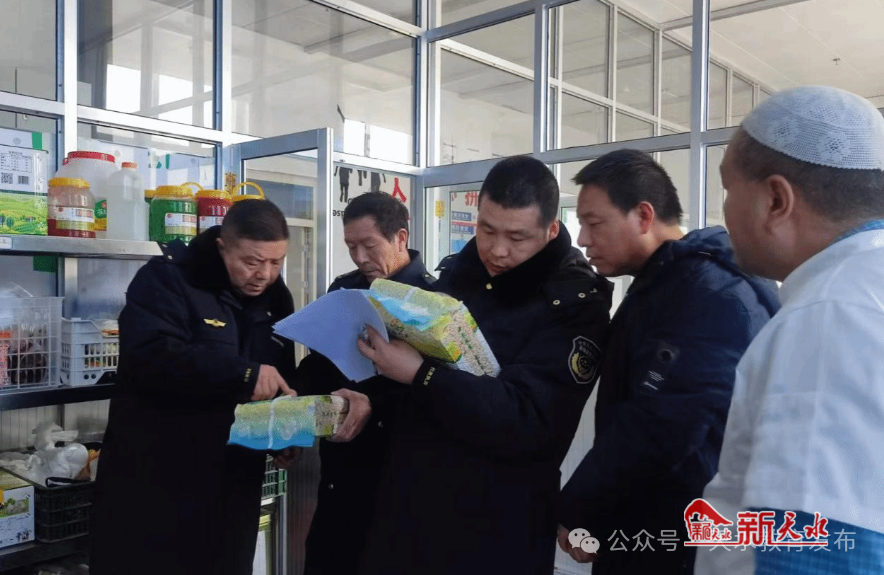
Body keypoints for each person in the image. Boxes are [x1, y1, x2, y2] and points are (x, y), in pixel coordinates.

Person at [356, 155, 612, 575]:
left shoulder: (574, 303)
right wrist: (372, 401)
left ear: (551, 230)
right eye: (487, 230)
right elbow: (420, 374)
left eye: (517, 237)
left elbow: (530, 421)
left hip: (495, 526)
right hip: (412, 508)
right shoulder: (461, 271)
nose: (497, 250)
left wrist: (422, 374)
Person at [556, 149, 779, 574]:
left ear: (643, 216)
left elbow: (662, 424)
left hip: (684, 536)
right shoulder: (668, 282)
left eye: (593, 223)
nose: (582, 238)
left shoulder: (708, 294)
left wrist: (581, 506)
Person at [695, 86, 884, 574]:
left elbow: (820, 551)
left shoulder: (829, 318)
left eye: (728, 189)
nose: (725, 211)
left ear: (776, 200)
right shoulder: (864, 291)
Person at [91, 200, 297, 575]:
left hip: (232, 488)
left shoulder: (276, 299)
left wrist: (283, 431)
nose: (264, 274)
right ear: (222, 246)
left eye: (276, 262)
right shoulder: (168, 280)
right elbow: (150, 357)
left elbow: (279, 378)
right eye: (252, 262)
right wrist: (243, 374)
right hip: (157, 482)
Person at [296, 191, 435, 575]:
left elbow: (439, 393)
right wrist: (295, 396)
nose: (359, 257)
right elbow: (320, 363)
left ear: (400, 238)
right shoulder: (344, 291)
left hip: (397, 479)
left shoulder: (433, 302)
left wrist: (374, 405)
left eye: (369, 246)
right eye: (350, 246)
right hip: (339, 472)